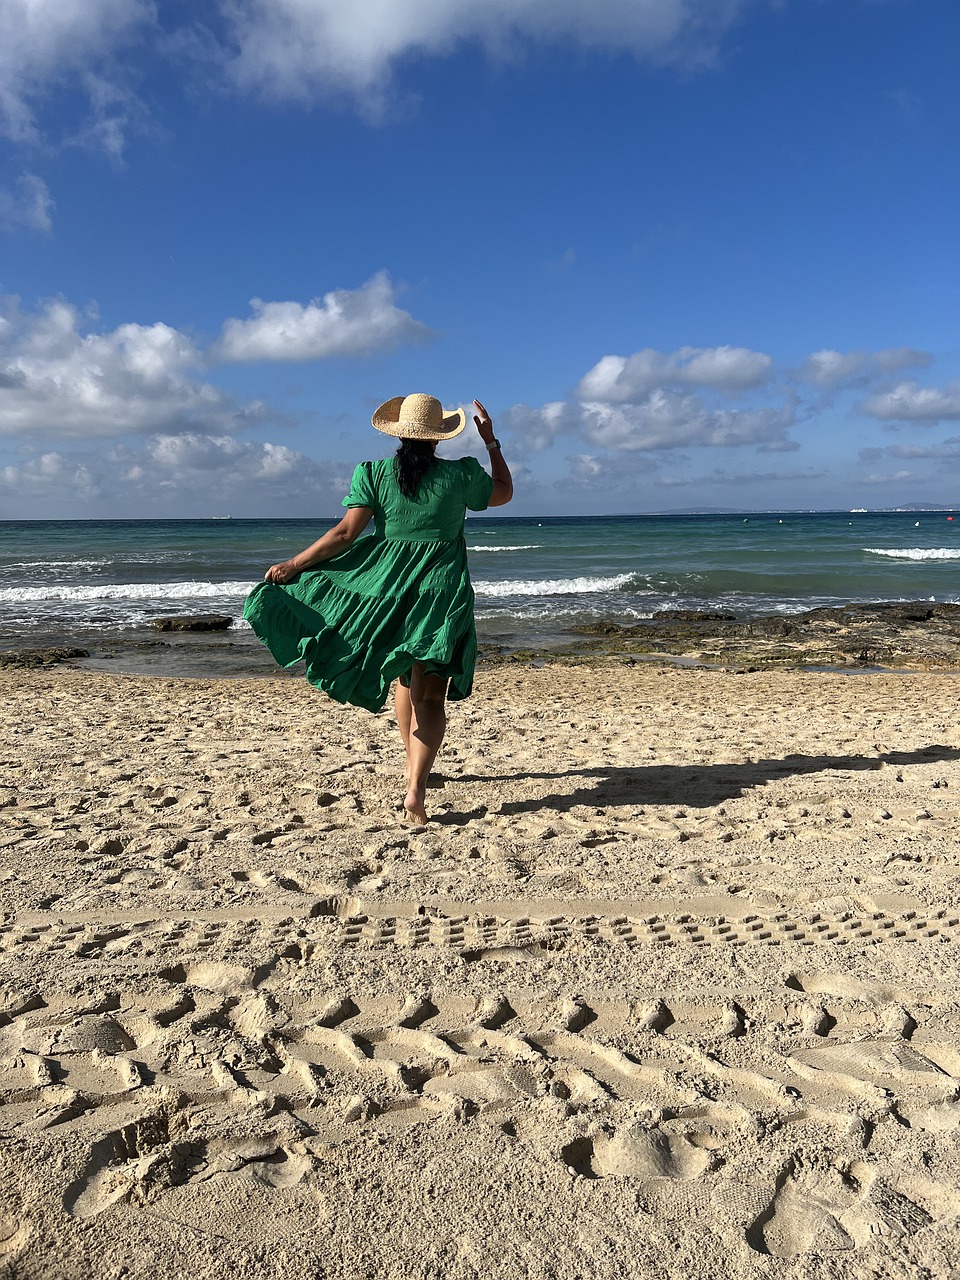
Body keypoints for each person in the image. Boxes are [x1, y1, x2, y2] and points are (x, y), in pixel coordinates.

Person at [243, 394, 513, 824]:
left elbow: (344, 534)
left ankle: (413, 772)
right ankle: (415, 791)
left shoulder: (374, 474)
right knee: (428, 692)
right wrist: (492, 443)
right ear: (438, 437)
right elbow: (503, 494)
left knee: (403, 676)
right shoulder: (460, 475)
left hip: (386, 589)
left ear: (399, 433)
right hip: (440, 592)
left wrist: (295, 564)